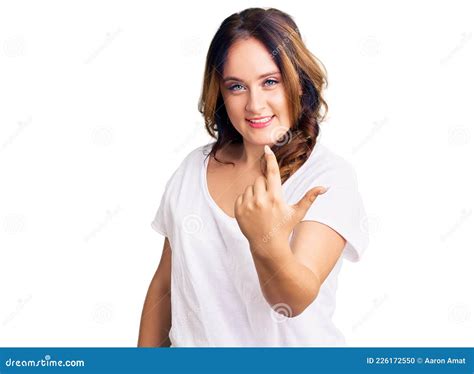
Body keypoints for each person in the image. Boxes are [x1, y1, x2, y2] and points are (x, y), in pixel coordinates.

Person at [138, 7, 369, 347]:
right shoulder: (192, 169)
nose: (255, 104)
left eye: (270, 82)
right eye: (236, 87)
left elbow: (292, 302)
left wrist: (266, 240)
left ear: (298, 83)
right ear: (221, 92)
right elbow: (165, 285)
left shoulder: (327, 177)